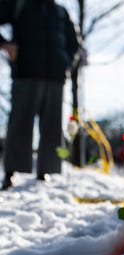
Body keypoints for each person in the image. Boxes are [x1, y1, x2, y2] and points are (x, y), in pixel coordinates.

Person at [0, 0, 80, 190]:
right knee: (19, 123)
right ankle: (11, 171)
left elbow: (74, 43)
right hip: (25, 74)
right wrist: (6, 44)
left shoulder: (61, 12)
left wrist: (65, 64)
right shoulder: (18, 5)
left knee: (52, 128)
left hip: (55, 77)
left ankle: (46, 172)